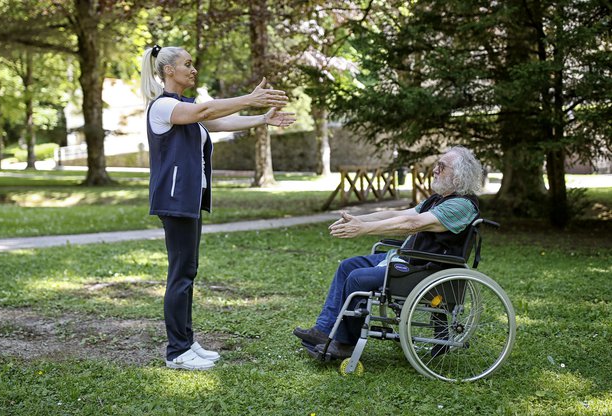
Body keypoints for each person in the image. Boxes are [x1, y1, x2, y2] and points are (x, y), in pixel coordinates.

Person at [141, 44, 295, 370]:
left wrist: (262, 118)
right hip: (174, 199)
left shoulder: (184, 107)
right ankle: (176, 351)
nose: (193, 69)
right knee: (180, 275)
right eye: (187, 64)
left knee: (188, 271)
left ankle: (186, 341)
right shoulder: (164, 107)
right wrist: (249, 98)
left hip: (189, 198)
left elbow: (220, 123)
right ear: (169, 70)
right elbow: (207, 112)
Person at [293, 146, 484, 359]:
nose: (435, 170)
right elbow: (397, 213)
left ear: (459, 175)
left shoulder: (461, 205)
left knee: (357, 278)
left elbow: (411, 223)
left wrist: (363, 230)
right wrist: (359, 220)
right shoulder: (437, 200)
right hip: (410, 260)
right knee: (347, 266)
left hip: (426, 269)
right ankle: (323, 330)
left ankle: (345, 344)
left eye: (441, 166)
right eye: (436, 165)